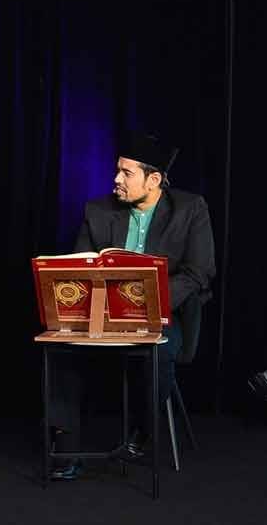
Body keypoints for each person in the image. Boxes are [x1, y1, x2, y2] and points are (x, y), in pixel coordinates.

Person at [48, 133, 215, 480]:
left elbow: (199, 272)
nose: (116, 180)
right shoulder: (97, 210)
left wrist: (153, 301)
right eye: (117, 171)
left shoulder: (189, 208)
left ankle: (142, 433)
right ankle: (67, 451)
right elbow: (81, 265)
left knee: (162, 350)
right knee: (60, 348)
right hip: (105, 310)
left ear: (153, 180)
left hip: (163, 310)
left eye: (126, 173)